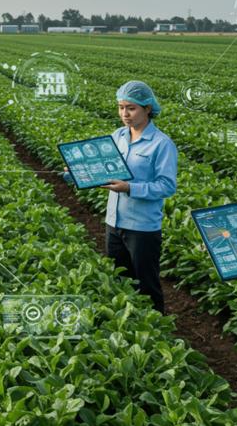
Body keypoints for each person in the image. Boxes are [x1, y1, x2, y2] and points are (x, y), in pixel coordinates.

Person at [66, 81, 177, 312]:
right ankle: (128, 327)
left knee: (146, 285)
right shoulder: (117, 136)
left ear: (147, 108)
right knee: (120, 281)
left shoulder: (161, 144)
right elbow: (104, 169)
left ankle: (156, 329)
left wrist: (130, 188)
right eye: (120, 107)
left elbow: (166, 186)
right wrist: (78, 172)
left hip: (142, 228)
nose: (124, 114)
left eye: (131, 108)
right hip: (114, 223)